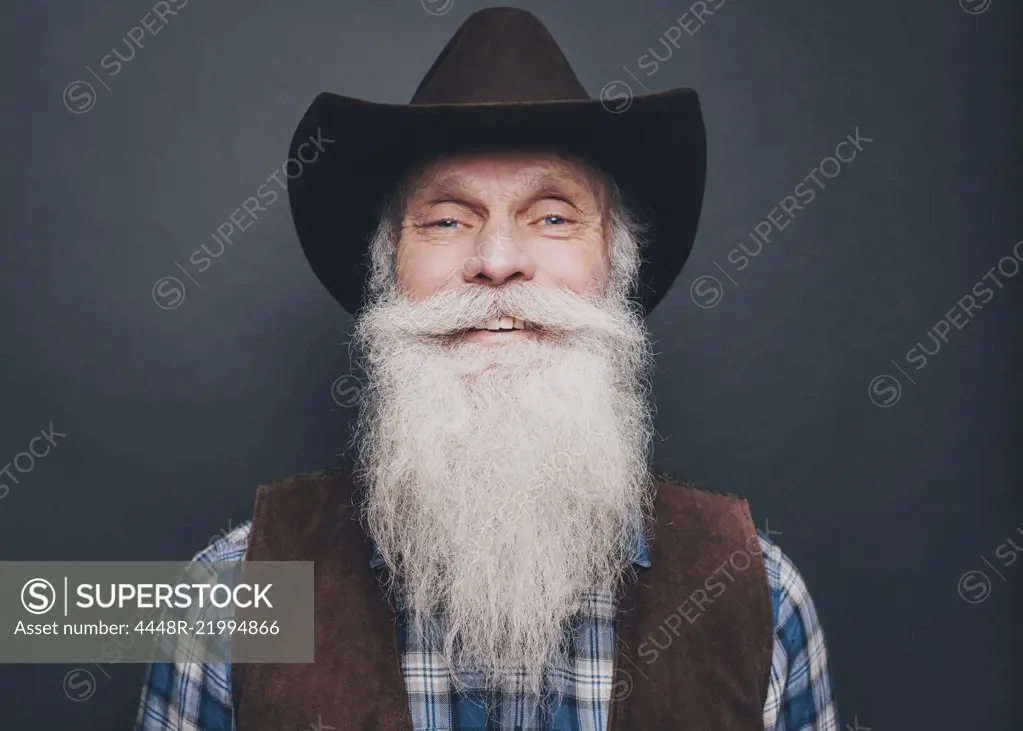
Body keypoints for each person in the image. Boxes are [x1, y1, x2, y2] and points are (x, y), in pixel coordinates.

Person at [136, 7, 837, 730]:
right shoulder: (232, 590)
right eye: (445, 219)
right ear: (390, 275)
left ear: (614, 270)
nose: (497, 262)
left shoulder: (757, 593)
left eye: (554, 216)